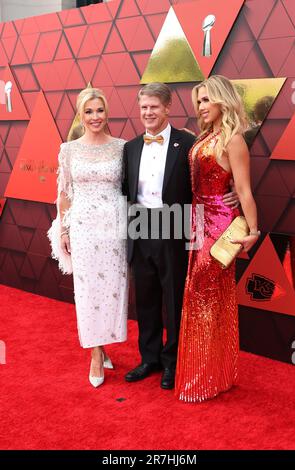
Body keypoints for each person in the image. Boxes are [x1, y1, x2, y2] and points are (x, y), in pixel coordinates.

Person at [122, 82, 239, 390]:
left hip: (175, 225)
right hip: (139, 224)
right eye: (144, 107)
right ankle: (149, 358)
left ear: (168, 107)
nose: (148, 112)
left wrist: (233, 192)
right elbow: (126, 191)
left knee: (174, 299)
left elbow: (210, 176)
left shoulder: (188, 142)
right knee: (145, 299)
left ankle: (172, 362)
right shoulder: (131, 147)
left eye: (154, 107)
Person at [175, 75, 260, 402]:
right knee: (211, 300)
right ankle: (217, 374)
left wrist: (253, 232)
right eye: (199, 101)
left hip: (220, 231)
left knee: (203, 298)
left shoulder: (233, 139)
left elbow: (243, 191)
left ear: (223, 100)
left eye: (207, 99)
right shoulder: (206, 136)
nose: (201, 106)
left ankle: (203, 378)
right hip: (199, 224)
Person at [48, 88, 128, 387]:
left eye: (99, 111)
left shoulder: (122, 147)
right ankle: (95, 353)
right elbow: (64, 194)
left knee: (111, 290)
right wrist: (64, 229)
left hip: (113, 230)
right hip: (82, 228)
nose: (95, 117)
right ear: (81, 115)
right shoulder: (69, 149)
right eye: (89, 111)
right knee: (87, 292)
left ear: (106, 113)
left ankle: (103, 344)